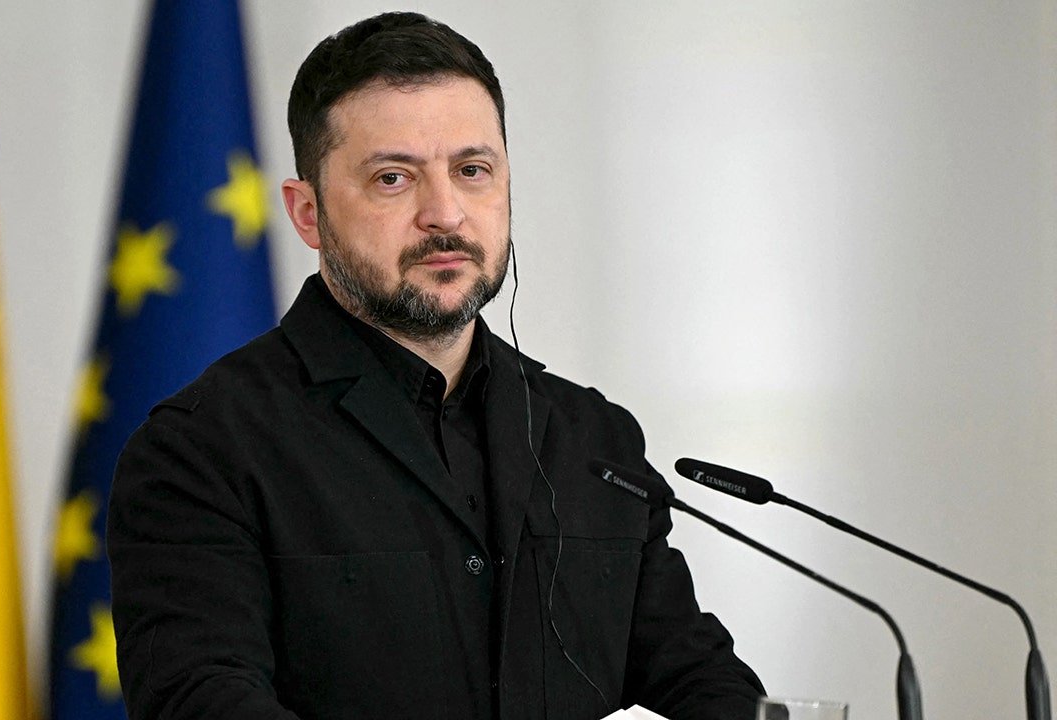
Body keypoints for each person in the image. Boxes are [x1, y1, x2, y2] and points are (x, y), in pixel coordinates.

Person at [108, 12, 763, 720]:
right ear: (307, 214)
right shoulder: (201, 450)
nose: (445, 213)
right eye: (393, 178)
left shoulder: (596, 442)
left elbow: (704, 682)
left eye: (472, 171)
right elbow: (204, 701)